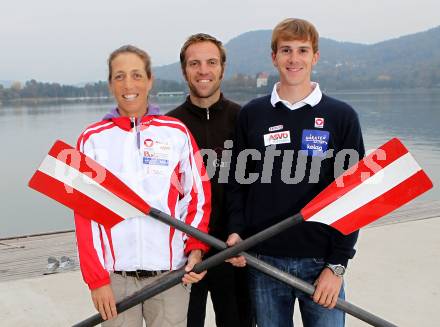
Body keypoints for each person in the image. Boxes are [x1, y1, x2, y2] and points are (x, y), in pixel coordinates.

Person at [226, 18, 365, 327]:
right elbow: (237, 182)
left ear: (315, 56)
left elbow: (355, 195)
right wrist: (236, 230)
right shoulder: (252, 114)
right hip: (263, 260)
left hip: (322, 265)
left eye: (302, 50)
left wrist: (338, 265)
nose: (294, 59)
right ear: (274, 57)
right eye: (286, 50)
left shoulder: (341, 116)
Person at [74, 45, 211, 327]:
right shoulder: (92, 139)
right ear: (111, 83)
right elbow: (85, 215)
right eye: (120, 76)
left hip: (169, 275)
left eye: (136, 75)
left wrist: (196, 248)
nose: (128, 84)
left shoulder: (176, 132)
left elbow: (197, 196)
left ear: (149, 80)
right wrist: (97, 279)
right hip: (116, 279)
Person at [167, 33, 253, 327]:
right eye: (195, 63)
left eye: (211, 62)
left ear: (222, 68)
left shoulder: (244, 119)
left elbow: (255, 188)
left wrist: (245, 237)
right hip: (187, 256)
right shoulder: (169, 127)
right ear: (184, 70)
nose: (203, 70)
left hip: (234, 249)